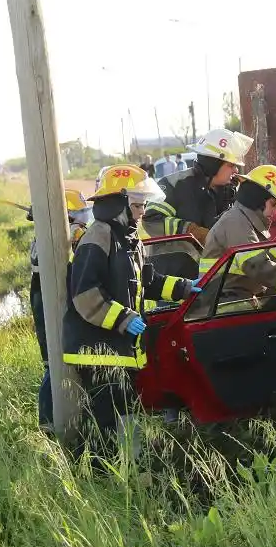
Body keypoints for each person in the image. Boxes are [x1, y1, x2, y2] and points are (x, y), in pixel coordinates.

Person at [63, 164, 199, 455]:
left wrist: (185, 287)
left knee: (125, 411)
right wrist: (124, 319)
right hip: (97, 349)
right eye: (137, 205)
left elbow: (147, 282)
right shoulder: (97, 236)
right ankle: (107, 473)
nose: (141, 212)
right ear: (118, 204)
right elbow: (85, 294)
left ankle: (130, 464)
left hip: (118, 346)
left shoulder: (129, 239)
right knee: (107, 419)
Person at [200, 164, 276, 307]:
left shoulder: (246, 221)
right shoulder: (236, 221)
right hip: (222, 301)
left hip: (234, 295)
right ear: (257, 199)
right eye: (274, 204)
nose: (275, 212)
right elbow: (255, 265)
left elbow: (263, 262)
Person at [29, 188, 93, 432]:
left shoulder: (59, 235)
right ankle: (47, 424)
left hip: (51, 301)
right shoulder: (48, 239)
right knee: (52, 364)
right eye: (78, 214)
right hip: (46, 304)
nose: (84, 220)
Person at [142, 128, 251, 245]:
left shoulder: (230, 191)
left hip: (215, 263)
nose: (236, 170)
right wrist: (190, 231)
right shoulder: (173, 184)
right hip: (177, 262)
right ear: (213, 164)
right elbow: (151, 219)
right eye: (231, 165)